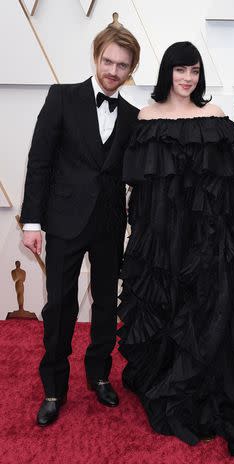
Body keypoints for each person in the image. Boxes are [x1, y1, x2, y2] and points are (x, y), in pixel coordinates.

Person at [117, 41, 234, 444]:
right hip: (160, 234)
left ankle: (197, 379)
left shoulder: (216, 116)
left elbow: (228, 186)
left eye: (194, 71)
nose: (187, 78)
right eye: (180, 70)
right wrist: (143, 237)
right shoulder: (147, 117)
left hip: (203, 236)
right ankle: (162, 372)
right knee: (163, 303)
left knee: (202, 306)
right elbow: (140, 188)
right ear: (167, 73)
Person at [20, 16, 140, 427]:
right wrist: (32, 222)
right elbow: (39, 161)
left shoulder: (133, 115)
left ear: (131, 70)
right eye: (108, 61)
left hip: (109, 223)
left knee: (106, 305)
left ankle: (100, 375)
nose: (113, 71)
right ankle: (54, 386)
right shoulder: (62, 97)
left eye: (123, 65)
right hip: (64, 219)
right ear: (96, 57)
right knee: (60, 306)